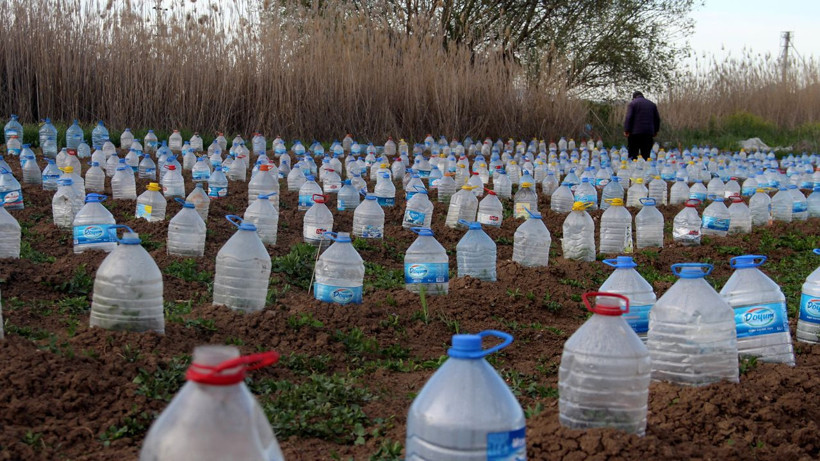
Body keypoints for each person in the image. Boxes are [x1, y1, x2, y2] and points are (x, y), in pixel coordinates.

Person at [623, 91, 660, 160]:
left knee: (633, 154)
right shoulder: (652, 104)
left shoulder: (632, 104)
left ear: (634, 98)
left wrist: (626, 130)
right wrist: (656, 131)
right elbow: (657, 119)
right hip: (648, 133)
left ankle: (633, 168)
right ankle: (645, 168)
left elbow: (629, 117)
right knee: (646, 154)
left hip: (635, 133)